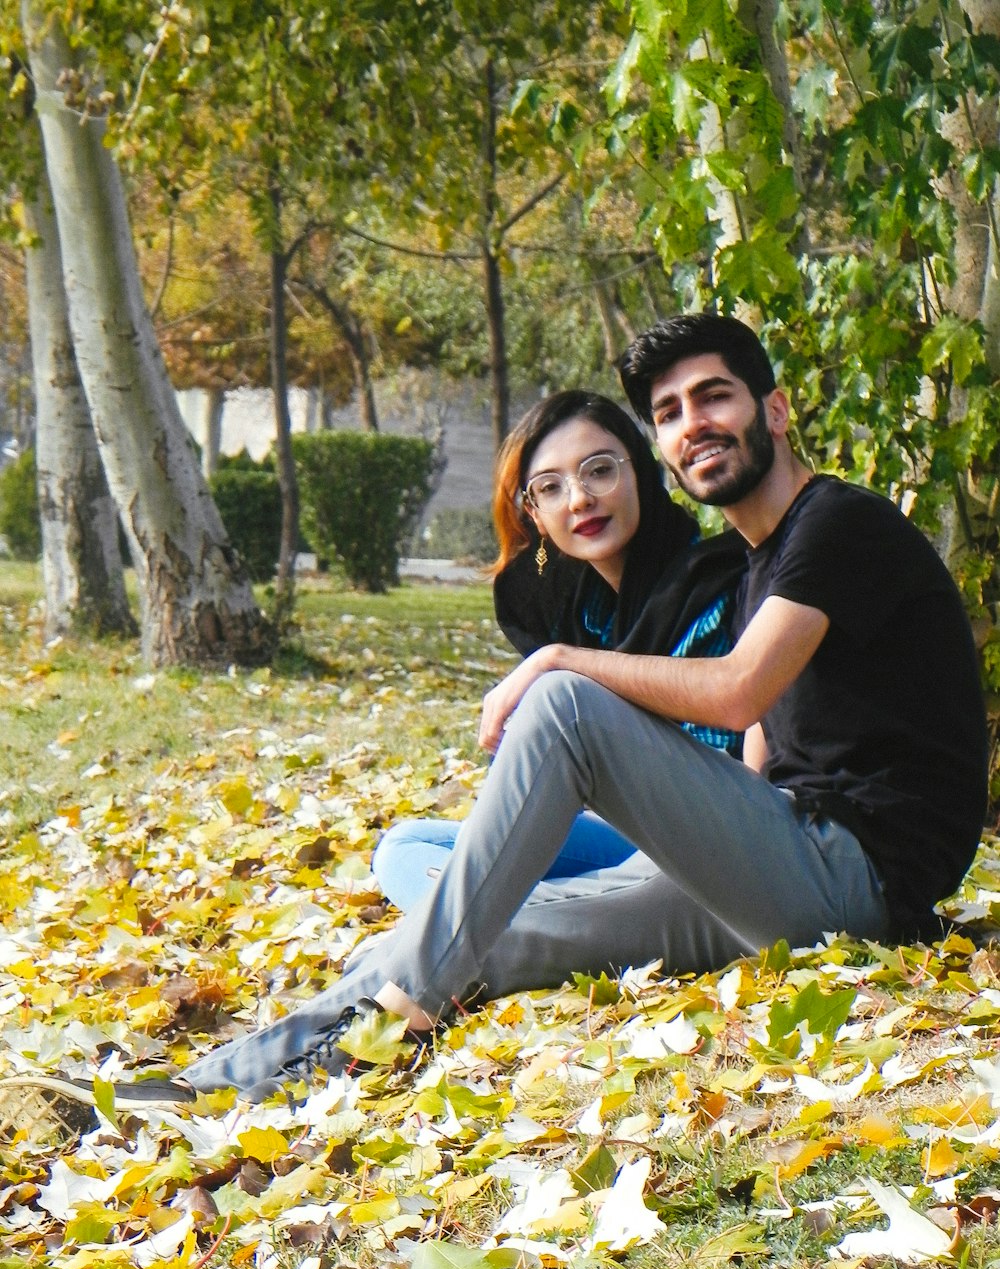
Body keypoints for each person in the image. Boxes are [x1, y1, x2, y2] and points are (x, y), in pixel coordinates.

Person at [30, 314, 989, 1107]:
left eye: (715, 398)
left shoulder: (839, 522)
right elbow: (758, 747)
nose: (693, 424)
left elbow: (740, 688)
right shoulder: (758, 564)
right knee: (486, 931)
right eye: (670, 411)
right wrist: (687, 853)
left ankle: (407, 1006)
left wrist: (565, 661)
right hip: (782, 874)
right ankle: (200, 1087)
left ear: (773, 411)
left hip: (854, 886)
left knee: (565, 705)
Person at [372, 388, 746, 913]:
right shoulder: (578, 613)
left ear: (641, 472)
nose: (579, 500)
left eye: (599, 470)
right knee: (404, 848)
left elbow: (726, 759)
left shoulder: (713, 586)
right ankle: (524, 921)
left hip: (714, 846)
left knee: (469, 879)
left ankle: (505, 926)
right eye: (550, 487)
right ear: (535, 514)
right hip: (617, 841)